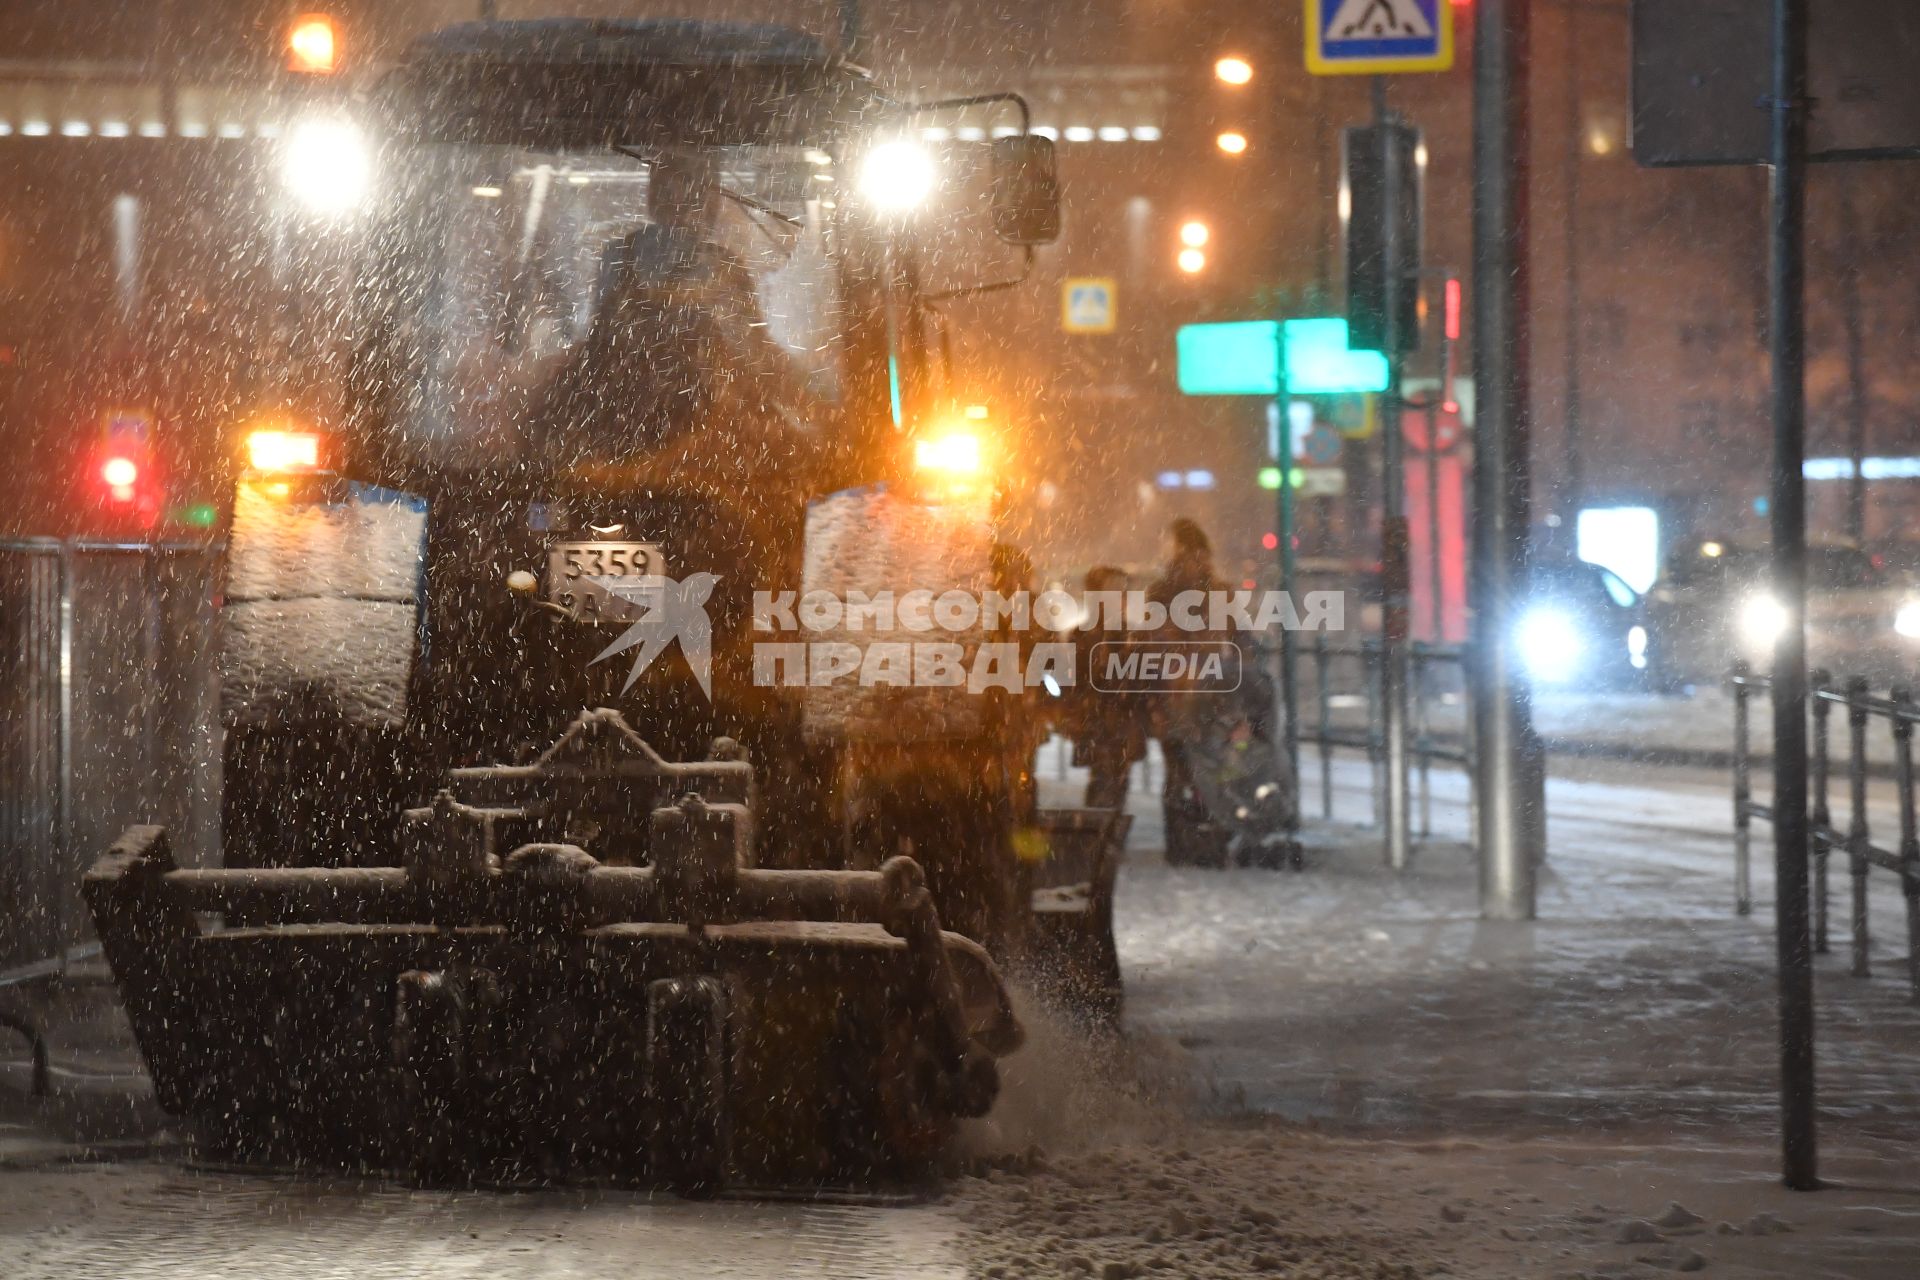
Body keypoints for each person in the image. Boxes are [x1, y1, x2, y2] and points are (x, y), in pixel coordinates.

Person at [1066, 565, 1147, 811]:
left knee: (1117, 791)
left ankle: (1106, 842)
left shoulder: (1132, 635)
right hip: (1098, 725)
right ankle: (1102, 842)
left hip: (1120, 725)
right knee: (1104, 790)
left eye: (1124, 591)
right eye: (1115, 591)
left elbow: (1142, 681)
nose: (1122, 597)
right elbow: (1074, 682)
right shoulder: (1082, 636)